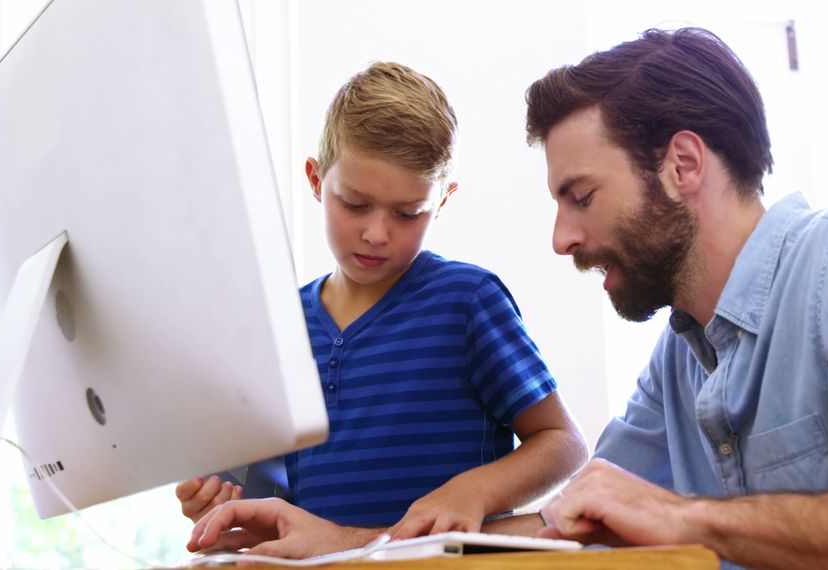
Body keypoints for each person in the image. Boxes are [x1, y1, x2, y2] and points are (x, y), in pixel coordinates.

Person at [186, 30, 828, 569]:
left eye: (580, 196)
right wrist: (334, 544)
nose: (562, 240)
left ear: (683, 166)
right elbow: (575, 526)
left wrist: (686, 517)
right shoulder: (680, 363)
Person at [176, 61, 588, 548]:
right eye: (354, 204)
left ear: (443, 200)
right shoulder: (282, 327)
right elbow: (276, 495)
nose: (376, 233)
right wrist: (222, 500)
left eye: (408, 213)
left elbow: (564, 443)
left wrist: (473, 490)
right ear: (315, 179)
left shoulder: (467, 301)